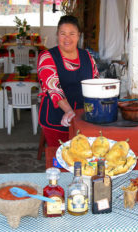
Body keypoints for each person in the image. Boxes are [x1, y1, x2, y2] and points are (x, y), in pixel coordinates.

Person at [37, 15, 99, 146]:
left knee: (82, 159)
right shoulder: (47, 57)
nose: (67, 38)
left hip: (83, 121)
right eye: (63, 33)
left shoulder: (87, 56)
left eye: (72, 33)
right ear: (57, 35)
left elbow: (96, 85)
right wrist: (70, 112)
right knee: (61, 159)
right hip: (56, 119)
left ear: (78, 36)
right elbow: (54, 89)